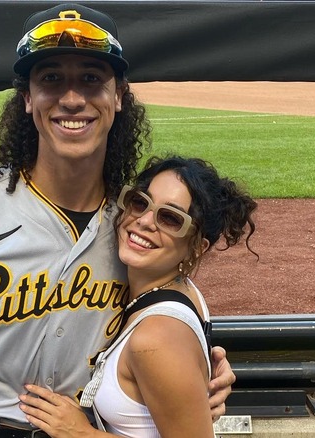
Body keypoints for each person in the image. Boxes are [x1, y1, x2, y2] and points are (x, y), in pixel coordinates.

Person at [0, 4, 236, 438]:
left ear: (119, 97)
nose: (72, 98)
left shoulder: (135, 224)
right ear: (27, 97)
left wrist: (203, 366)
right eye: (51, 78)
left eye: (92, 78)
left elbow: (173, 304)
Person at [18, 156, 258, 438]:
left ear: (196, 248)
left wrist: (82, 434)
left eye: (170, 218)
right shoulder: (182, 289)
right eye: (140, 202)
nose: (144, 221)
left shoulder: (156, 338)